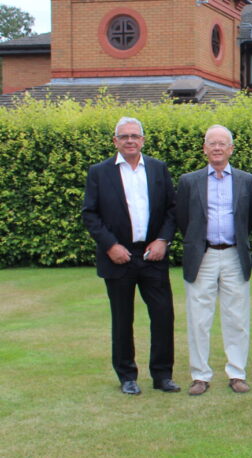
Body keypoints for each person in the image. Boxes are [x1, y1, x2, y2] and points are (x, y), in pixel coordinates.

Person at [81, 117, 180, 395]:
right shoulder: (100, 172)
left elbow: (172, 209)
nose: (129, 141)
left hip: (152, 255)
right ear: (115, 141)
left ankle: (162, 375)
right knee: (123, 319)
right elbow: (90, 214)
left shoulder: (158, 169)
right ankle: (127, 375)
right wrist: (110, 246)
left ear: (143, 140)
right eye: (124, 136)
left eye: (134, 136)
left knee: (163, 316)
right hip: (118, 256)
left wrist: (163, 240)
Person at [176, 125, 252, 395]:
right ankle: (200, 376)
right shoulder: (190, 181)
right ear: (204, 149)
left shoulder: (246, 180)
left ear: (231, 149)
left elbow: (249, 220)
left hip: (235, 254)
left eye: (223, 143)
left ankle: (237, 373)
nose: (217, 148)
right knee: (199, 318)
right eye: (212, 143)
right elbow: (183, 220)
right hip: (203, 255)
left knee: (237, 316)